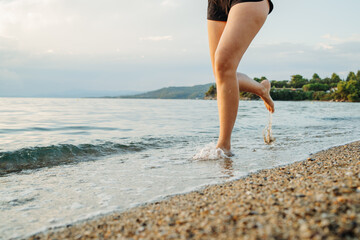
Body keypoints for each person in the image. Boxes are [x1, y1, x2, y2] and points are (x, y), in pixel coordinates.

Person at [207, 0, 275, 156]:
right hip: (216, 3)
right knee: (221, 74)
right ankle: (261, 89)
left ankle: (224, 146)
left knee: (224, 63)